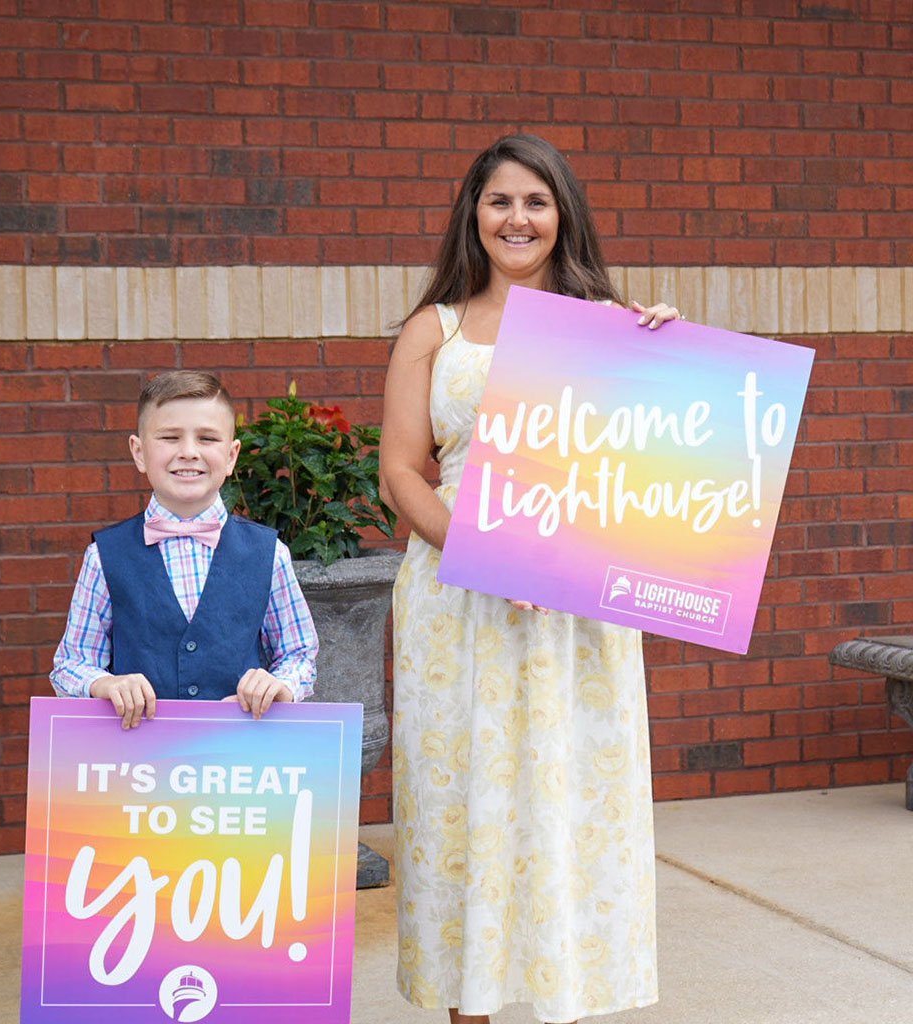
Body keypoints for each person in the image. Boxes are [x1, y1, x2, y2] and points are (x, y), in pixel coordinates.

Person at [379, 134, 682, 1024]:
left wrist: (661, 358)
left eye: (536, 202)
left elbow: (649, 465)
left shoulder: (610, 326)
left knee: (566, 805)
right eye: (500, 200)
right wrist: (490, 552)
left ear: (563, 215)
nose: (518, 218)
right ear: (474, 213)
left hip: (570, 610)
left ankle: (564, 1003)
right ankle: (465, 1009)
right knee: (459, 806)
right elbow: (402, 473)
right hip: (457, 600)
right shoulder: (431, 329)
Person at [51, 370, 317, 726]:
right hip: (138, 762)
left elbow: (299, 653)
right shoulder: (104, 556)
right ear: (139, 452)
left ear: (232, 455)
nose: (189, 452)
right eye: (170, 437)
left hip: (239, 758)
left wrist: (279, 684)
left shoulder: (270, 554)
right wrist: (104, 683)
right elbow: (71, 663)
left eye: (207, 438)